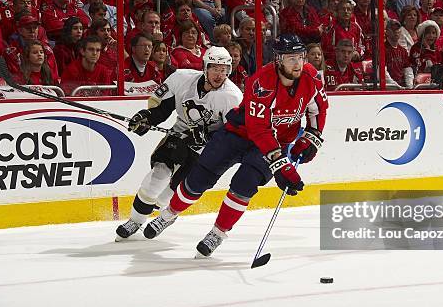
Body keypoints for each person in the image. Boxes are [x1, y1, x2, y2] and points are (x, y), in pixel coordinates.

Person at [135, 34, 328, 257]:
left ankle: (218, 232)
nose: (298, 64)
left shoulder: (311, 77)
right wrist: (281, 165)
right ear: (278, 60)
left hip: (275, 142)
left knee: (244, 185)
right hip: (239, 134)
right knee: (197, 180)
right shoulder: (261, 82)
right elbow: (259, 129)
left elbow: (318, 109)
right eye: (291, 58)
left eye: (300, 57)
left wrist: (312, 136)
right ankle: (168, 214)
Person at [115, 47, 243, 241]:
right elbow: (162, 109)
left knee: (174, 189)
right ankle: (136, 220)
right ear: (205, 67)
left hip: (207, 148)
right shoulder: (181, 79)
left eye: (224, 69)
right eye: (215, 68)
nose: (220, 74)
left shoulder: (232, 96)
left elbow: (232, 134)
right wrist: (147, 118)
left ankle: (164, 215)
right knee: (157, 175)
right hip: (179, 133)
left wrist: (209, 137)